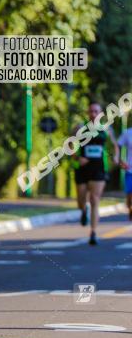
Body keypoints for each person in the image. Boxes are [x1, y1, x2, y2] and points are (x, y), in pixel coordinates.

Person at [73, 101, 120, 244]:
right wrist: (77, 157)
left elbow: (115, 146)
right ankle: (83, 210)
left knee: (94, 199)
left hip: (98, 168)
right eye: (91, 111)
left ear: (100, 114)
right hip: (82, 169)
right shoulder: (80, 128)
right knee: (81, 200)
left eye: (96, 111)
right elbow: (69, 145)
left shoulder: (106, 129)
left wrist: (116, 157)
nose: (93, 114)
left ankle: (93, 233)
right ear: (88, 113)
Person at [117, 124, 132, 220]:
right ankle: (130, 208)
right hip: (130, 169)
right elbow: (117, 145)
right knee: (130, 195)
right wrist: (120, 160)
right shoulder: (127, 132)